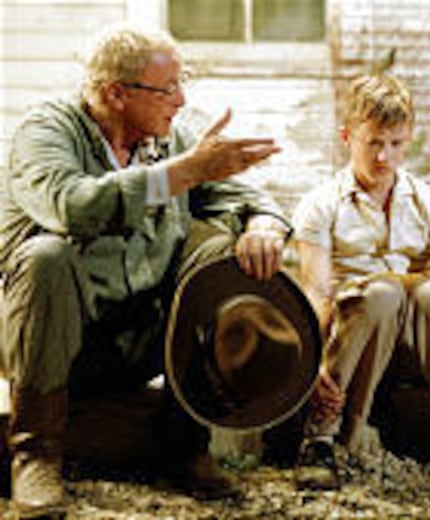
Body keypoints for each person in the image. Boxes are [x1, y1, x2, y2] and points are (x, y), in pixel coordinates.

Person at [0, 26, 290, 517]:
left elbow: (245, 198)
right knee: (46, 257)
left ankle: (186, 444)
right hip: (58, 342)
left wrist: (263, 224)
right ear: (117, 93)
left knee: (214, 247)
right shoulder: (46, 132)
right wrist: (187, 171)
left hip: (142, 338)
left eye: (182, 83)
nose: (181, 100)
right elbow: (74, 206)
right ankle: (36, 455)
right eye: (168, 88)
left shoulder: (171, 138)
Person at [291, 74, 430, 490]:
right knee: (382, 293)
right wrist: (310, 363)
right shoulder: (320, 206)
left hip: (415, 342)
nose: (384, 157)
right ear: (347, 137)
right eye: (373, 143)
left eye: (395, 143)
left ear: (408, 139)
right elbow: (315, 291)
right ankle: (321, 437)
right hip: (355, 337)